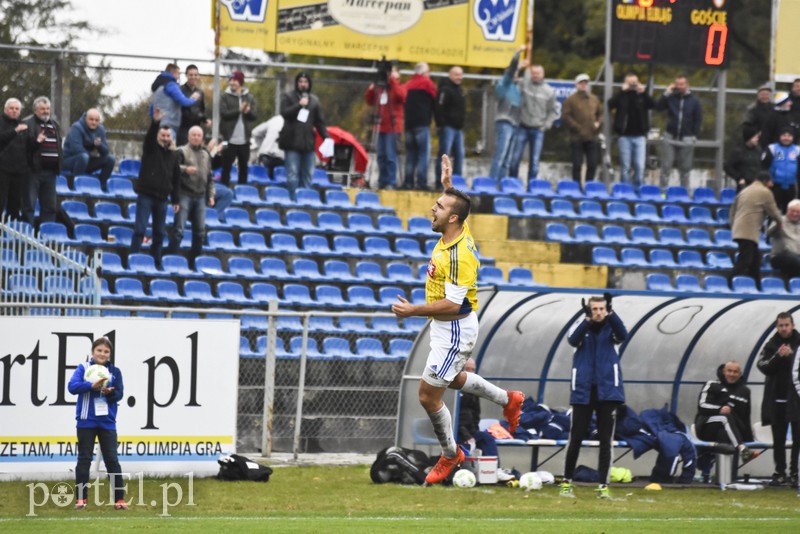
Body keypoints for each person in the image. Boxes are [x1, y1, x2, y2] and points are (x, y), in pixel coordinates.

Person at [391, 154, 524, 485]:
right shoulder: (457, 228)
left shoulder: (458, 255)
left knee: (427, 396)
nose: (432, 210)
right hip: (445, 328)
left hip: (454, 329)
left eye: (438, 206)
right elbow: (456, 207)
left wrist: (413, 310)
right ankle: (509, 400)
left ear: (452, 219)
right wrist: (448, 183)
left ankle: (451, 454)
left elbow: (455, 304)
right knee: (448, 381)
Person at [559, 294, 627, 500]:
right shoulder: (581, 326)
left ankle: (603, 485)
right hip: (583, 391)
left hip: (608, 393)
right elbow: (572, 339)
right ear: (589, 310)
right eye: (594, 309)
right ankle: (566, 482)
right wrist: (586, 320)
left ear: (607, 309)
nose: (598, 312)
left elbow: (623, 334)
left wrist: (612, 314)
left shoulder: (612, 329)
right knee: (576, 439)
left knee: (606, 440)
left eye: (601, 309)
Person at [67, 337, 127, 510]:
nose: (102, 354)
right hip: (86, 421)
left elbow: (119, 394)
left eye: (106, 351)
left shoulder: (115, 371)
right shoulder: (83, 368)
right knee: (84, 459)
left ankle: (119, 499)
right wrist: (91, 386)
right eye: (99, 350)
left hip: (107, 422)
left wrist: (109, 393)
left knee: (112, 460)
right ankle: (81, 499)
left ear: (110, 354)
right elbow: (72, 387)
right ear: (93, 351)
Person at [130, 107, 180, 271]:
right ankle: (133, 257)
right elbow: (150, 137)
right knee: (140, 229)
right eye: (163, 135)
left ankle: (156, 261)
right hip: (146, 195)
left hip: (162, 198)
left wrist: (176, 199)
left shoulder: (174, 155)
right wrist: (156, 122)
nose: (165, 138)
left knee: (159, 233)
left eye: (168, 136)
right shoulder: (151, 149)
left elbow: (176, 178)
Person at [757, 311, 800, 487]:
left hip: (796, 399)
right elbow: (763, 366)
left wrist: (791, 357)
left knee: (798, 438)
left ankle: (795, 473)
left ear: (792, 325)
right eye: (780, 325)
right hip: (776, 398)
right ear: (777, 327)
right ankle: (779, 473)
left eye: (786, 325)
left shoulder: (799, 343)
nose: (783, 328)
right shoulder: (771, 344)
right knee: (779, 439)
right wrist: (778, 356)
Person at [457, 358, 515, 482]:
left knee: (486, 438)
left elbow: (476, 414)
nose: (471, 373)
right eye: (467, 369)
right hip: (454, 431)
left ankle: (495, 471)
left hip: (469, 431)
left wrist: (473, 431)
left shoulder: (474, 389)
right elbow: (453, 417)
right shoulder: (453, 388)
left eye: (473, 370)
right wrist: (466, 435)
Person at [167, 126, 217, 267]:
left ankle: (193, 263)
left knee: (200, 232)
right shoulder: (181, 151)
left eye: (199, 135)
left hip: (200, 196)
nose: (196, 137)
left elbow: (210, 177)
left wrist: (211, 195)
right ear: (189, 137)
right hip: (184, 194)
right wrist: (185, 170)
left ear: (202, 138)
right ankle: (171, 260)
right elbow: (171, 167)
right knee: (179, 231)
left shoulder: (206, 155)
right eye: (193, 135)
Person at [695, 361, 760, 467]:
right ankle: (743, 450)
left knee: (724, 435)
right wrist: (719, 409)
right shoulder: (712, 385)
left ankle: (724, 479)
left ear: (740, 374)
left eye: (735, 372)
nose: (732, 374)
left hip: (729, 430)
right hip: (707, 426)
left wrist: (748, 437)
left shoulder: (745, 391)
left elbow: (745, 416)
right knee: (725, 417)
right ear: (724, 372)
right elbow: (702, 406)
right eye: (729, 371)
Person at [278, 71, 331, 200]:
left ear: (309, 84)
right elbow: (284, 113)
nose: (303, 84)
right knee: (293, 175)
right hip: (292, 144)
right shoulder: (288, 97)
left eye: (305, 82)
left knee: (307, 175)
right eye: (300, 82)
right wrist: (299, 105)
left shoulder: (314, 101)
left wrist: (327, 137)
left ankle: (304, 202)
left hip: (308, 145)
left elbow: (319, 122)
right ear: (297, 83)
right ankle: (292, 201)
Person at [729, 171, 782, 284]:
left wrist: (733, 225)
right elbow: (773, 211)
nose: (771, 185)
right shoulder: (765, 192)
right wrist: (781, 222)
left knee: (756, 260)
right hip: (748, 231)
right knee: (745, 261)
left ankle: (756, 285)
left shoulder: (745, 190)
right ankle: (729, 281)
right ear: (764, 182)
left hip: (739, 229)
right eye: (770, 182)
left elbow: (733, 209)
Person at [607, 72, 656, 191]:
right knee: (625, 166)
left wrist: (643, 93)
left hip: (640, 136)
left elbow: (654, 104)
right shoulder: (622, 95)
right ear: (625, 83)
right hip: (624, 136)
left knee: (639, 165)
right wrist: (622, 91)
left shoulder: (641, 96)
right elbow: (610, 104)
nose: (633, 85)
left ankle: (638, 188)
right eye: (630, 83)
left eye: (635, 82)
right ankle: (626, 189)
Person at [509, 63, 558, 181]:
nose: (535, 75)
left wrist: (545, 126)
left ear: (543, 74)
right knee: (515, 158)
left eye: (538, 73)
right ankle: (512, 184)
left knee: (534, 162)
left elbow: (553, 111)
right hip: (522, 127)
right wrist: (519, 68)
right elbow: (512, 80)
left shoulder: (549, 91)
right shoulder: (524, 84)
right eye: (533, 73)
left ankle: (531, 188)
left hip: (538, 130)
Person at [655, 75, 702, 189]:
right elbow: (658, 107)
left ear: (687, 85)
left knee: (685, 168)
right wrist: (667, 92)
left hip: (686, 138)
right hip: (670, 137)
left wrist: (694, 135)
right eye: (677, 84)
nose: (679, 87)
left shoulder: (694, 101)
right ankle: (663, 192)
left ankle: (684, 192)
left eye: (682, 84)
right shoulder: (671, 98)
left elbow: (698, 119)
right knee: (666, 167)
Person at [365, 63, 406, 189]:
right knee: (381, 155)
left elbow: (402, 96)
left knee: (390, 155)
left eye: (392, 71)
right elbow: (369, 100)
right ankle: (382, 180)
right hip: (380, 126)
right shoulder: (381, 88)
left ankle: (391, 181)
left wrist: (392, 80)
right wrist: (372, 87)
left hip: (393, 127)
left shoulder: (398, 86)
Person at [22, 96, 62, 226]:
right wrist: (36, 141)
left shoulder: (54, 124)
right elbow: (22, 148)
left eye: (47, 108)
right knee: (29, 205)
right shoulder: (27, 124)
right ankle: (28, 235)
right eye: (42, 109)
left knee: (50, 207)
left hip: (51, 172)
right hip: (33, 172)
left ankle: (47, 234)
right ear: (35, 110)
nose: (46, 111)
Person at [488, 46, 524, 182]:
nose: (516, 75)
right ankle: (492, 182)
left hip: (515, 124)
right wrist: (517, 54)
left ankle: (501, 183)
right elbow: (512, 69)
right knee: (500, 155)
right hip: (505, 122)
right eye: (514, 73)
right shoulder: (504, 84)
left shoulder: (516, 88)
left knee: (507, 160)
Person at [562, 73, 603, 184]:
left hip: (592, 136)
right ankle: (577, 186)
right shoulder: (570, 100)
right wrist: (576, 127)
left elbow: (600, 114)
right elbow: (565, 116)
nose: (584, 85)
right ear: (576, 85)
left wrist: (598, 123)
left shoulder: (594, 99)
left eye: (586, 83)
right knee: (577, 164)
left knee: (593, 164)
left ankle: (589, 185)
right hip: (577, 137)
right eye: (581, 83)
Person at [402, 62, 437, 190]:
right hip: (422, 124)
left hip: (408, 125)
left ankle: (408, 182)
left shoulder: (407, 85)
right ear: (423, 72)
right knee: (423, 154)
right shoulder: (428, 84)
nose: (429, 75)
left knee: (410, 155)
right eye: (428, 72)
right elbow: (435, 99)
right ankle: (421, 182)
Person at [219, 70, 257, 186]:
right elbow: (224, 113)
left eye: (235, 80)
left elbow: (254, 116)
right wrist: (239, 110)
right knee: (226, 168)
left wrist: (248, 112)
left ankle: (242, 193)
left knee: (243, 168)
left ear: (240, 82)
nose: (232, 82)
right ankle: (224, 191)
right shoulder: (225, 96)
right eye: (231, 80)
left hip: (244, 140)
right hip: (229, 138)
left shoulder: (249, 97)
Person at [62, 108, 116, 186]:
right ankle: (75, 185)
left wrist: (99, 145)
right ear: (85, 119)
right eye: (91, 119)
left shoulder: (100, 129)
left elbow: (105, 152)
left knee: (110, 159)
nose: (94, 122)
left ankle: (101, 186)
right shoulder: (76, 127)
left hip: (87, 160)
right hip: (69, 160)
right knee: (84, 157)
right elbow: (76, 149)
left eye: (96, 120)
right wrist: (91, 153)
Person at [150, 63, 200, 140]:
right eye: (178, 73)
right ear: (173, 73)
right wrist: (193, 98)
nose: (179, 76)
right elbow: (184, 101)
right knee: (170, 149)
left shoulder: (158, 86)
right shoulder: (171, 85)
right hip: (169, 124)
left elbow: (151, 107)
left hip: (158, 124)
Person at [434, 66, 466, 188]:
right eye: (457, 74)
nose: (459, 77)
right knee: (444, 156)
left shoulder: (459, 90)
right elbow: (439, 108)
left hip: (458, 129)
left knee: (460, 155)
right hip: (448, 127)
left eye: (461, 74)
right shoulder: (445, 90)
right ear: (450, 75)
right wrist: (440, 125)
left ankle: (457, 183)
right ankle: (440, 182)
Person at [0, 98, 28, 220]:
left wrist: (37, 141)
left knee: (15, 204)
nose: (14, 111)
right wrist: (15, 131)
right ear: (5, 109)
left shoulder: (24, 125)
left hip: (19, 170)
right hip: (3, 169)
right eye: (11, 108)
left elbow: (28, 145)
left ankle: (12, 234)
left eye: (17, 109)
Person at [763, 126, 800, 213]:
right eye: (784, 135)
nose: (786, 138)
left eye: (789, 136)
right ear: (780, 136)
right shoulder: (772, 148)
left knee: (789, 211)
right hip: (775, 185)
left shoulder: (797, 150)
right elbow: (764, 166)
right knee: (773, 210)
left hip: (790, 186)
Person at [177, 64, 211, 146]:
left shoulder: (200, 92)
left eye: (195, 75)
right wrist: (190, 100)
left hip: (196, 127)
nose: (193, 77)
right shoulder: (180, 90)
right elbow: (179, 108)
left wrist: (205, 120)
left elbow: (201, 109)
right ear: (186, 75)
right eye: (191, 75)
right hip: (183, 128)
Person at [724, 123, 764, 192]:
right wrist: (739, 178)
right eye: (755, 137)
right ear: (749, 137)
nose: (758, 139)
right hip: (744, 185)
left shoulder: (758, 150)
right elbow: (728, 166)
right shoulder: (738, 151)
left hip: (757, 184)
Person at [768, 199, 800, 279]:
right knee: (795, 261)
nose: (795, 214)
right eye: (793, 211)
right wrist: (777, 225)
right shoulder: (780, 220)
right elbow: (769, 233)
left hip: (797, 257)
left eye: (798, 212)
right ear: (788, 210)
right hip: (780, 256)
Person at [251, 115, 285, 180]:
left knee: (263, 180)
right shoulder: (295, 121)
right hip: (280, 156)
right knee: (278, 182)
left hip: (266, 153)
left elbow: (255, 132)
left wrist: (262, 145)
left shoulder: (275, 119)